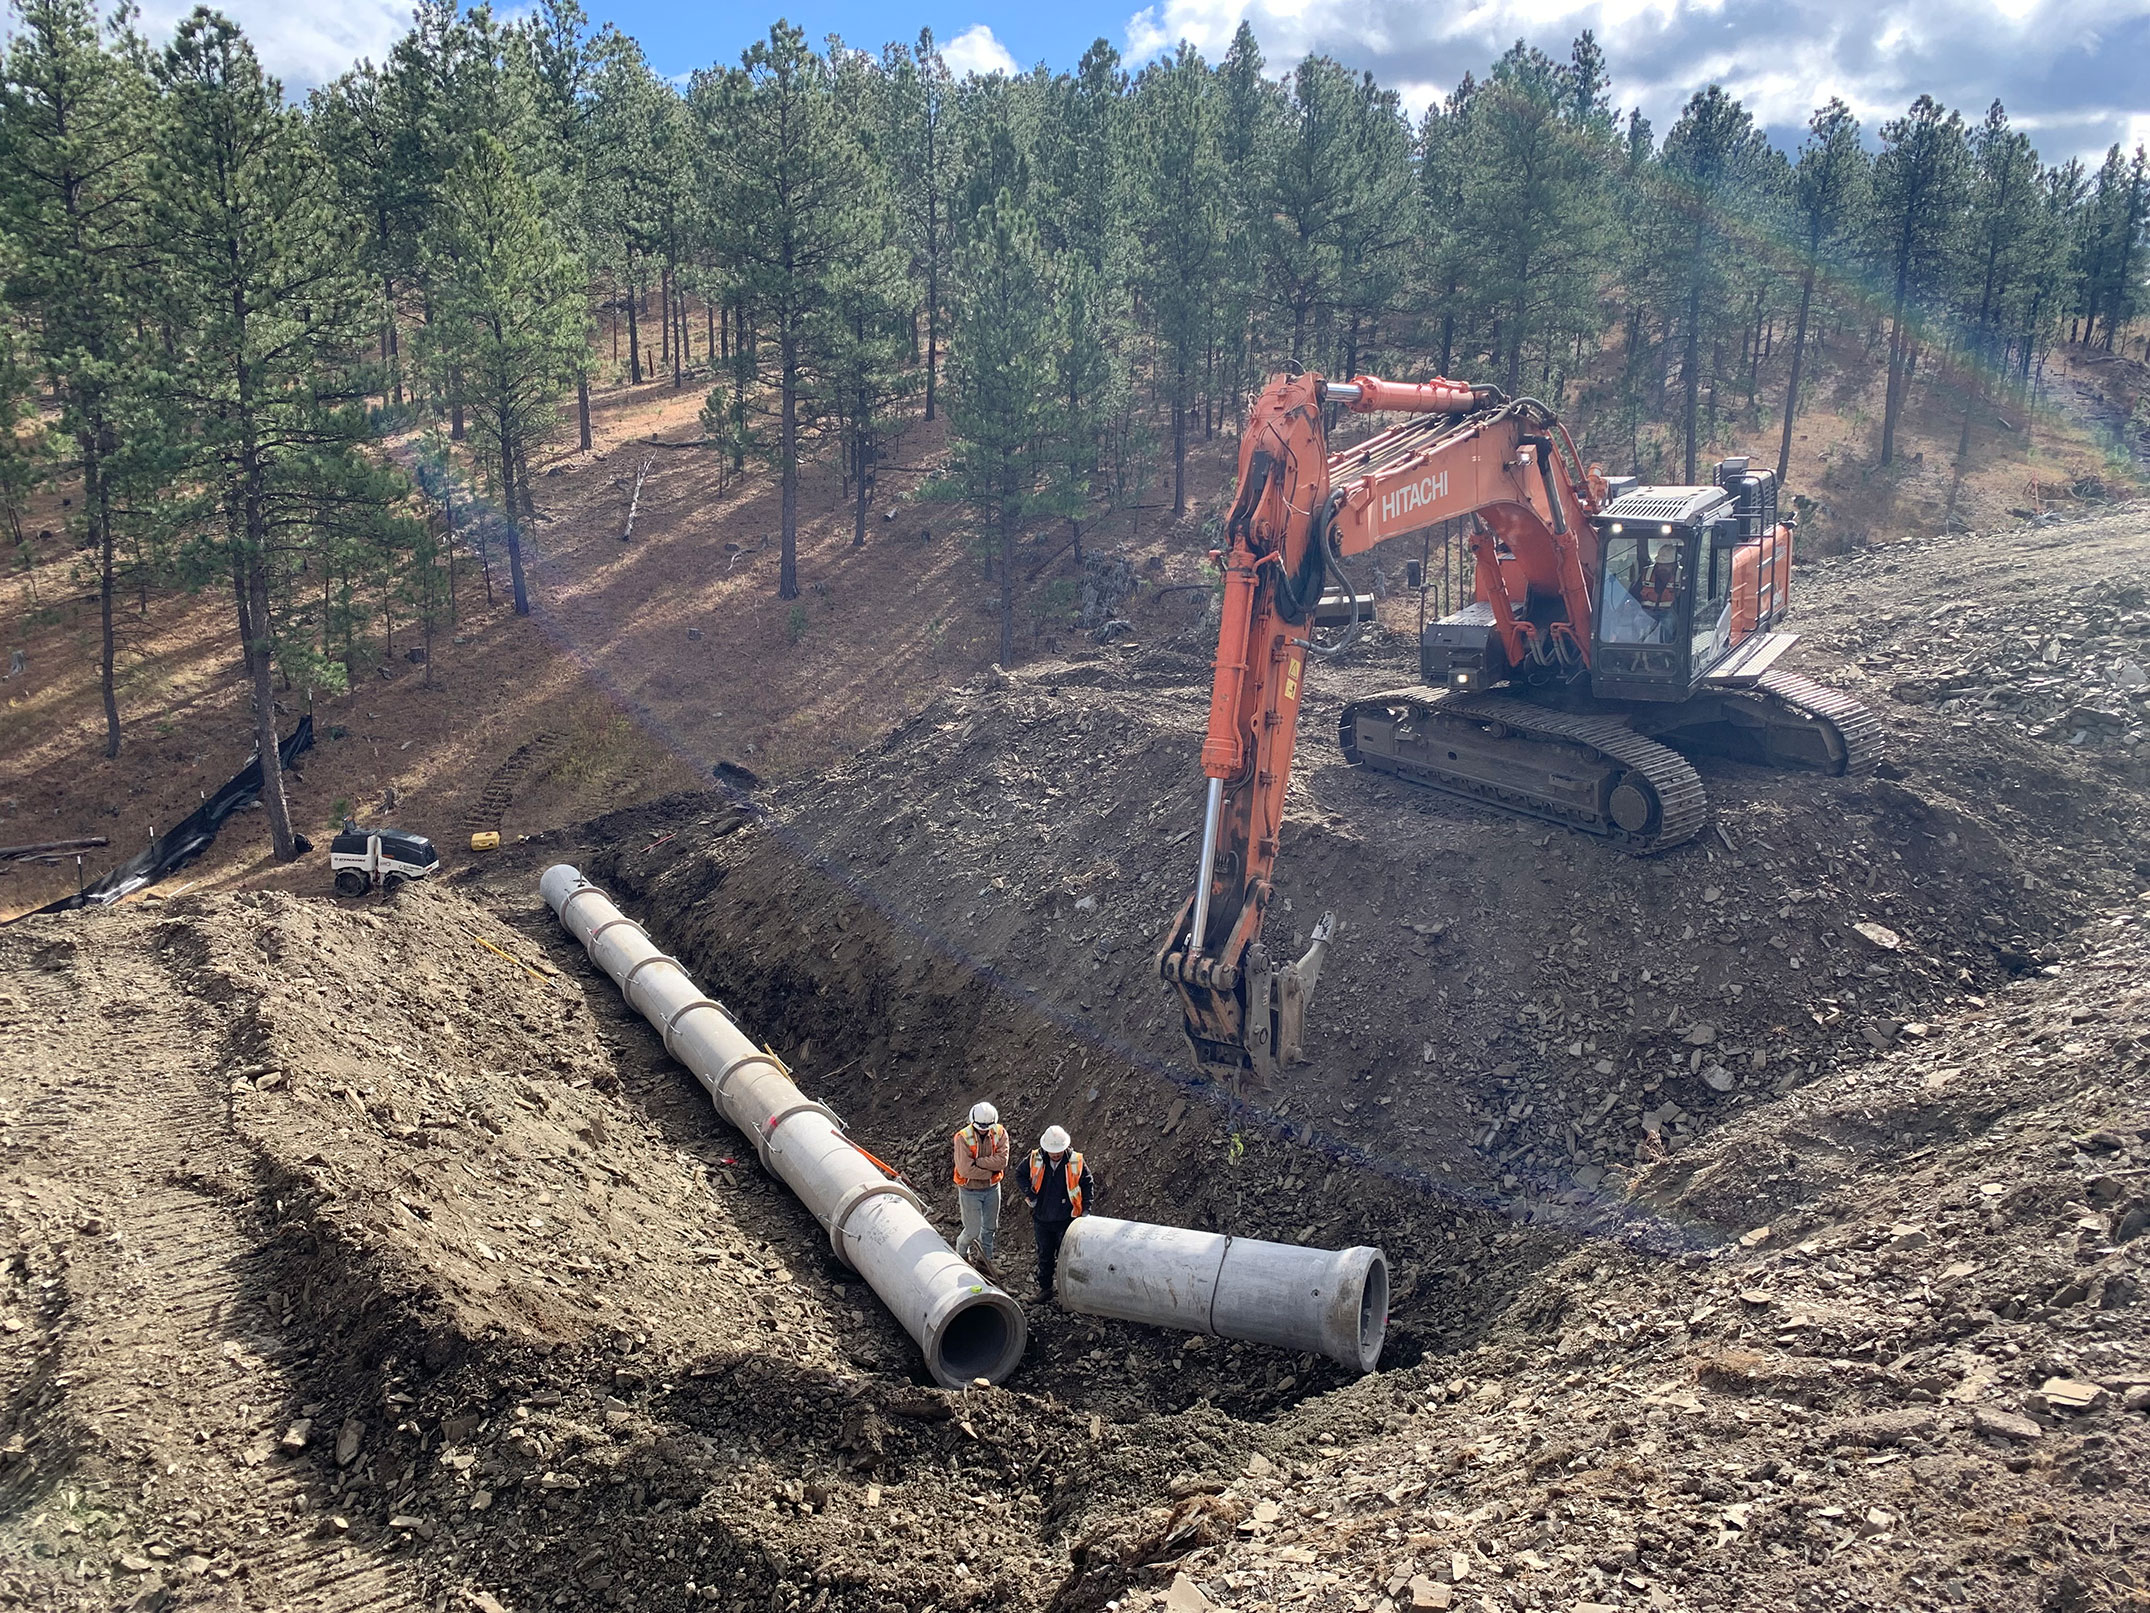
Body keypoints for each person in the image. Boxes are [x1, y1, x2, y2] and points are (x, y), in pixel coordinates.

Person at [1021, 1125, 1097, 1303]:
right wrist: (1029, 1193)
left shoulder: (1075, 1161)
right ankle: (1046, 1289)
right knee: (1045, 1256)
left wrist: (1086, 1210)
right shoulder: (1036, 1158)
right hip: (1043, 1218)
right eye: (1052, 1151)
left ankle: (1069, 1295)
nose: (1055, 1155)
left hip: (1067, 1220)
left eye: (1058, 1151)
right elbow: (1020, 1174)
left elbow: (1087, 1184)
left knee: (1068, 1259)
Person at [950, 1102, 1009, 1273]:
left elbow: (1002, 1161)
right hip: (970, 1190)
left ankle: (985, 1263)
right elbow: (965, 1169)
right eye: (981, 1127)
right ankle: (961, 1253)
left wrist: (978, 1162)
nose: (984, 1130)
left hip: (992, 1188)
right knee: (972, 1230)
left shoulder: (999, 1133)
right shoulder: (963, 1137)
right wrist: (990, 1172)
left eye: (987, 1127)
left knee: (990, 1227)